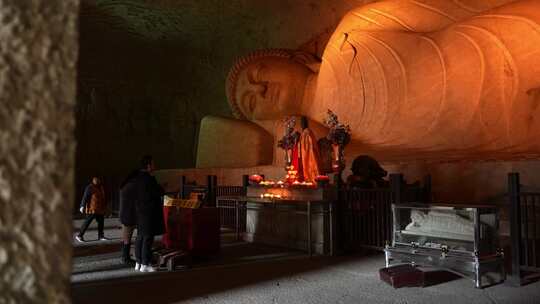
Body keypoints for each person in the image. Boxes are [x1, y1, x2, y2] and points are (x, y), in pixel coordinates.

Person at [217, 0, 540, 163]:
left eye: (258, 74)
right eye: (251, 102)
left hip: (513, 42)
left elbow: (449, 7)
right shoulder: (343, 148)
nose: (259, 89)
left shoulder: (354, 29)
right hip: (517, 131)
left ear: (289, 57)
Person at [133, 155, 165, 272]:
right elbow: (158, 192)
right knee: (148, 238)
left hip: (140, 211)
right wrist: (162, 188)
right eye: (153, 164)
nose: (155, 166)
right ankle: (145, 264)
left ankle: (138, 262)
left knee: (140, 237)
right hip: (149, 212)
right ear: (148, 166)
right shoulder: (149, 179)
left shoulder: (137, 178)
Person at [76, 176, 110, 242]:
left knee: (101, 222)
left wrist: (105, 207)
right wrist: (82, 206)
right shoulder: (90, 187)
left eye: (98, 180)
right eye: (96, 180)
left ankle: (100, 236)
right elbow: (85, 197)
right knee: (87, 222)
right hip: (92, 209)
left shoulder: (101, 187)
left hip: (100, 209)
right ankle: (79, 235)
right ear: (93, 180)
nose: (97, 181)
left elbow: (103, 198)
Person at [118, 169, 140, 265]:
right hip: (129, 215)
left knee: (125, 237)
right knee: (127, 238)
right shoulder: (132, 186)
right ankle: (125, 258)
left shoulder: (125, 186)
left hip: (124, 214)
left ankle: (125, 256)